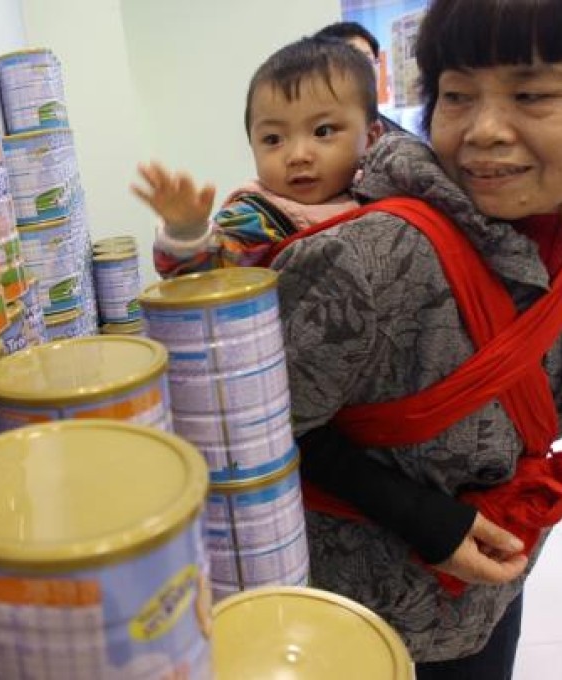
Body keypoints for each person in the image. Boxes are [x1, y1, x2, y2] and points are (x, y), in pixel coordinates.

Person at [137, 0, 562, 677]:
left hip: (495, 579)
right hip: (377, 610)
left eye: (532, 92)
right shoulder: (359, 252)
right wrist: (423, 516)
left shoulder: (532, 235)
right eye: (456, 94)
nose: (484, 131)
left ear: (368, 133)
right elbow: (243, 428)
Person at [132, 37, 382, 274]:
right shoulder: (255, 217)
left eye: (322, 131)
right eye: (273, 139)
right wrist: (187, 233)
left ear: (371, 138)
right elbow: (206, 273)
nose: (297, 156)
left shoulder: (380, 191)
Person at [314, 20, 411, 135]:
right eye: (348, 62)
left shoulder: (402, 143)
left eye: (367, 61)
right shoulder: (304, 131)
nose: (360, 71)